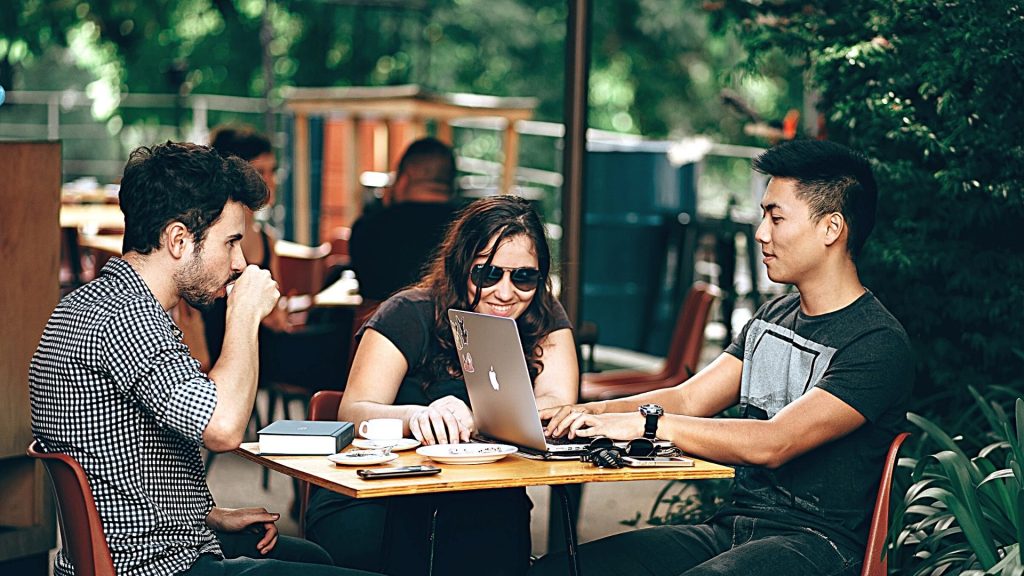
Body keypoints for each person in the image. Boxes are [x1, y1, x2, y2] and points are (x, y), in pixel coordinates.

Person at [532, 140, 914, 576]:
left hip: (819, 544)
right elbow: (690, 399)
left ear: (831, 228)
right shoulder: (774, 315)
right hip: (734, 529)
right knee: (562, 570)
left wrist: (647, 423)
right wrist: (584, 413)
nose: (761, 233)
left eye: (776, 217)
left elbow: (775, 442)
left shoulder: (876, 341)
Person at [29, 141, 376, 576]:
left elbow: (119, 465)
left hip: (141, 547)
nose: (240, 262)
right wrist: (245, 313)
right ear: (178, 239)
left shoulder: (92, 303)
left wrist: (205, 516)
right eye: (231, 242)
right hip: (155, 568)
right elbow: (225, 429)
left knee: (313, 558)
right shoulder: (129, 318)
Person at [305, 195, 579, 575]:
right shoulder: (409, 311)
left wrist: (481, 415)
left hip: (482, 499)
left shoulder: (542, 314)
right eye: (487, 274)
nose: (505, 292)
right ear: (460, 265)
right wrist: (419, 416)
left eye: (523, 276)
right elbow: (353, 411)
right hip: (381, 495)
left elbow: (558, 401)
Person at [348, 136, 461, 302]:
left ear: (403, 178)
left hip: (378, 325)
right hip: (446, 326)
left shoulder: (367, 227)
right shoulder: (468, 228)